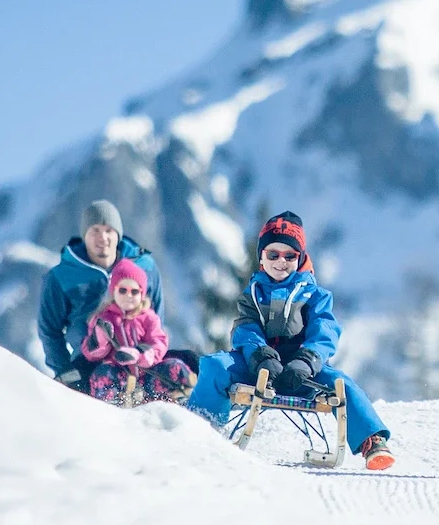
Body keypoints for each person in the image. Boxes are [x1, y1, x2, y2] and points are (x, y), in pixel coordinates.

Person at [186, 211, 396, 471]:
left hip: (303, 374)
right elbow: (245, 328)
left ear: (301, 257)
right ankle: (199, 427)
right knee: (215, 366)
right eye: (273, 254)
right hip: (258, 369)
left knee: (342, 385)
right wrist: (259, 355)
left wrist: (306, 361)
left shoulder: (316, 295)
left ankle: (372, 440)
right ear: (262, 257)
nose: (281, 261)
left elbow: (325, 330)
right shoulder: (253, 293)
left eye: (290, 255)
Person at [37, 199, 168, 391]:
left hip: (140, 358)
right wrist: (64, 371)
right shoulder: (61, 277)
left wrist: (149, 352)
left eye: (108, 230)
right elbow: (50, 331)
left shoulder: (144, 266)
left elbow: (155, 314)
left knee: (187, 363)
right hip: (89, 363)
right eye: (94, 231)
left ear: (118, 234)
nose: (102, 237)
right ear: (84, 235)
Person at [76, 259, 196, 404]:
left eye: (134, 291)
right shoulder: (103, 318)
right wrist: (100, 340)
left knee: (174, 366)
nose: (129, 296)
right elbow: (90, 354)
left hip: (148, 374)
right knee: (102, 374)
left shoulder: (149, 318)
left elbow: (158, 343)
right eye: (122, 290)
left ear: (141, 294)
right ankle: (112, 404)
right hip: (120, 374)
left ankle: (183, 395)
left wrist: (139, 354)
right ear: (114, 291)